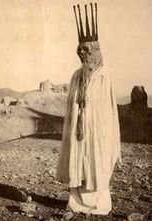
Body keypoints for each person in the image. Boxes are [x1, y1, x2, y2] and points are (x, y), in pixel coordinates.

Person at [56, 3, 121, 215]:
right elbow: (72, 105)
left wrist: (100, 130)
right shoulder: (76, 75)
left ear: (96, 51)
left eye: (87, 50)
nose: (83, 54)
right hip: (78, 130)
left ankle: (97, 204)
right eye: (80, 50)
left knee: (96, 161)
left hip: (97, 131)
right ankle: (76, 203)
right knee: (78, 162)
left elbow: (108, 110)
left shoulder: (105, 75)